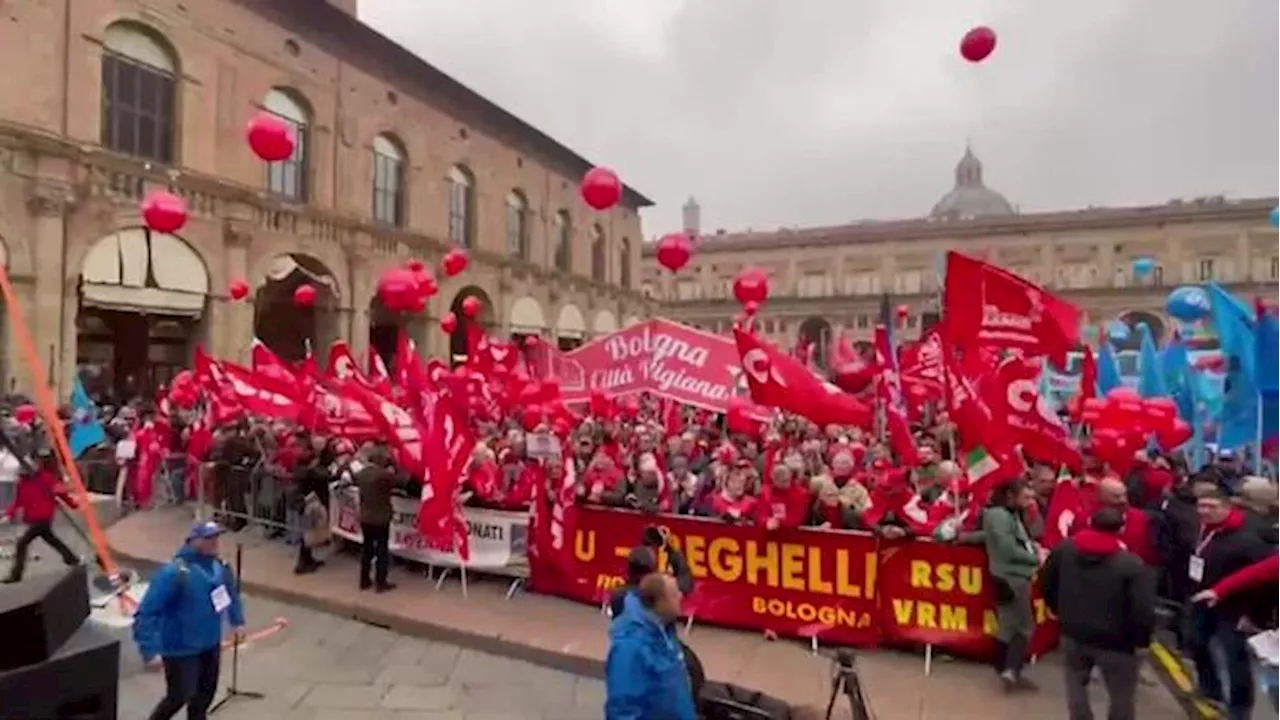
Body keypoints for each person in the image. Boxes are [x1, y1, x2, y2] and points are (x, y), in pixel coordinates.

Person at [1043, 508, 1157, 720]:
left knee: (1075, 683)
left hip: (1073, 631)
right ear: (1121, 528)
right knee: (1121, 695)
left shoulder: (1065, 549)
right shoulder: (1131, 564)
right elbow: (1143, 607)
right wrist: (1142, 640)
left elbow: (1048, 580)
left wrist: (1057, 610)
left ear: (1090, 523)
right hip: (1118, 641)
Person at [133, 521, 246, 720]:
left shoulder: (219, 567)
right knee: (179, 696)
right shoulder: (174, 573)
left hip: (210, 643)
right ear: (193, 541)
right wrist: (149, 649)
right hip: (180, 648)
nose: (214, 542)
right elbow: (147, 612)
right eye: (208, 538)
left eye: (216, 537)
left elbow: (230, 593)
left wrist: (237, 621)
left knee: (204, 695)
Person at [1186, 484, 1272, 720]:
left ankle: (1240, 709)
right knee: (1196, 643)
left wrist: (1253, 614)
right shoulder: (1204, 529)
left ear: (1227, 508)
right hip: (1203, 599)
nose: (1204, 511)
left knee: (1235, 660)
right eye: (1201, 506)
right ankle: (1209, 688)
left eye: (1211, 507)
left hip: (1234, 609)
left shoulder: (1248, 539)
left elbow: (1262, 578)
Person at [605, 572, 698, 720]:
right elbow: (622, 709)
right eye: (674, 594)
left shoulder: (665, 633)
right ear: (659, 602)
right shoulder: (629, 648)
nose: (680, 596)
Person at [982, 479, 1040, 692]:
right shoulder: (1000, 516)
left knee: (1007, 626)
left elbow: (994, 538)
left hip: (1007, 576)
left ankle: (1003, 667)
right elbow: (1007, 548)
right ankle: (1011, 669)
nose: (1030, 501)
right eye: (1026, 497)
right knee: (1023, 628)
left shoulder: (1007, 515)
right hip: (1012, 577)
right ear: (1010, 496)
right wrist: (1035, 559)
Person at [2, 447, 80, 583]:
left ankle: (16, 575)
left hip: (43, 517)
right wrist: (8, 514)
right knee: (51, 539)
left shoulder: (46, 478)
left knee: (22, 544)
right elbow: (18, 501)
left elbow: (61, 493)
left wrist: (73, 505)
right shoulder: (22, 483)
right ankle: (71, 558)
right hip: (34, 518)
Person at [355, 444, 396, 592]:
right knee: (381, 550)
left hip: (365, 516)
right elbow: (396, 483)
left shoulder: (362, 474)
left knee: (367, 549)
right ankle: (381, 582)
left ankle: (364, 580)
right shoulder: (384, 476)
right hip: (381, 518)